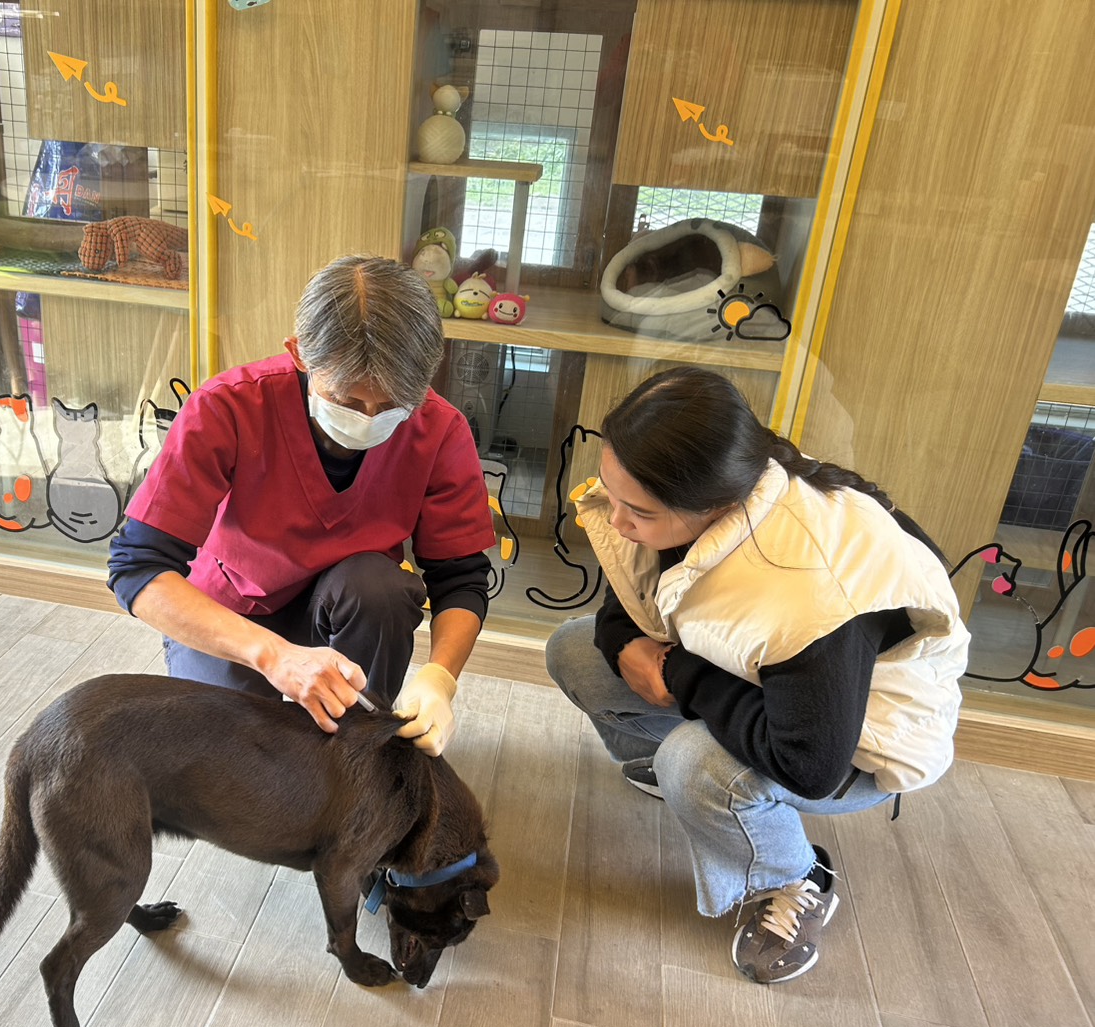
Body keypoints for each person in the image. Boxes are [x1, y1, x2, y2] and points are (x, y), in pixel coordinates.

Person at [546, 366, 969, 984]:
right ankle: (699, 791)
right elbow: (635, 600)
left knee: (694, 764)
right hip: (763, 679)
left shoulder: (813, 588)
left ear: (710, 504)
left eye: (635, 510)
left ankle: (794, 875)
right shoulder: (715, 482)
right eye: (611, 496)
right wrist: (631, 646)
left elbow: (812, 766)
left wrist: (677, 674)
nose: (615, 521)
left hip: (857, 739)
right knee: (576, 649)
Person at [108, 255, 495, 754]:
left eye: (393, 406)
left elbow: (460, 578)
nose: (369, 420)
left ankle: (360, 749)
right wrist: (273, 656)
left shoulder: (438, 429)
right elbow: (137, 569)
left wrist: (440, 677)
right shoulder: (228, 408)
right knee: (241, 763)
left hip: (352, 607)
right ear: (299, 355)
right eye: (348, 402)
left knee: (378, 592)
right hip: (233, 615)